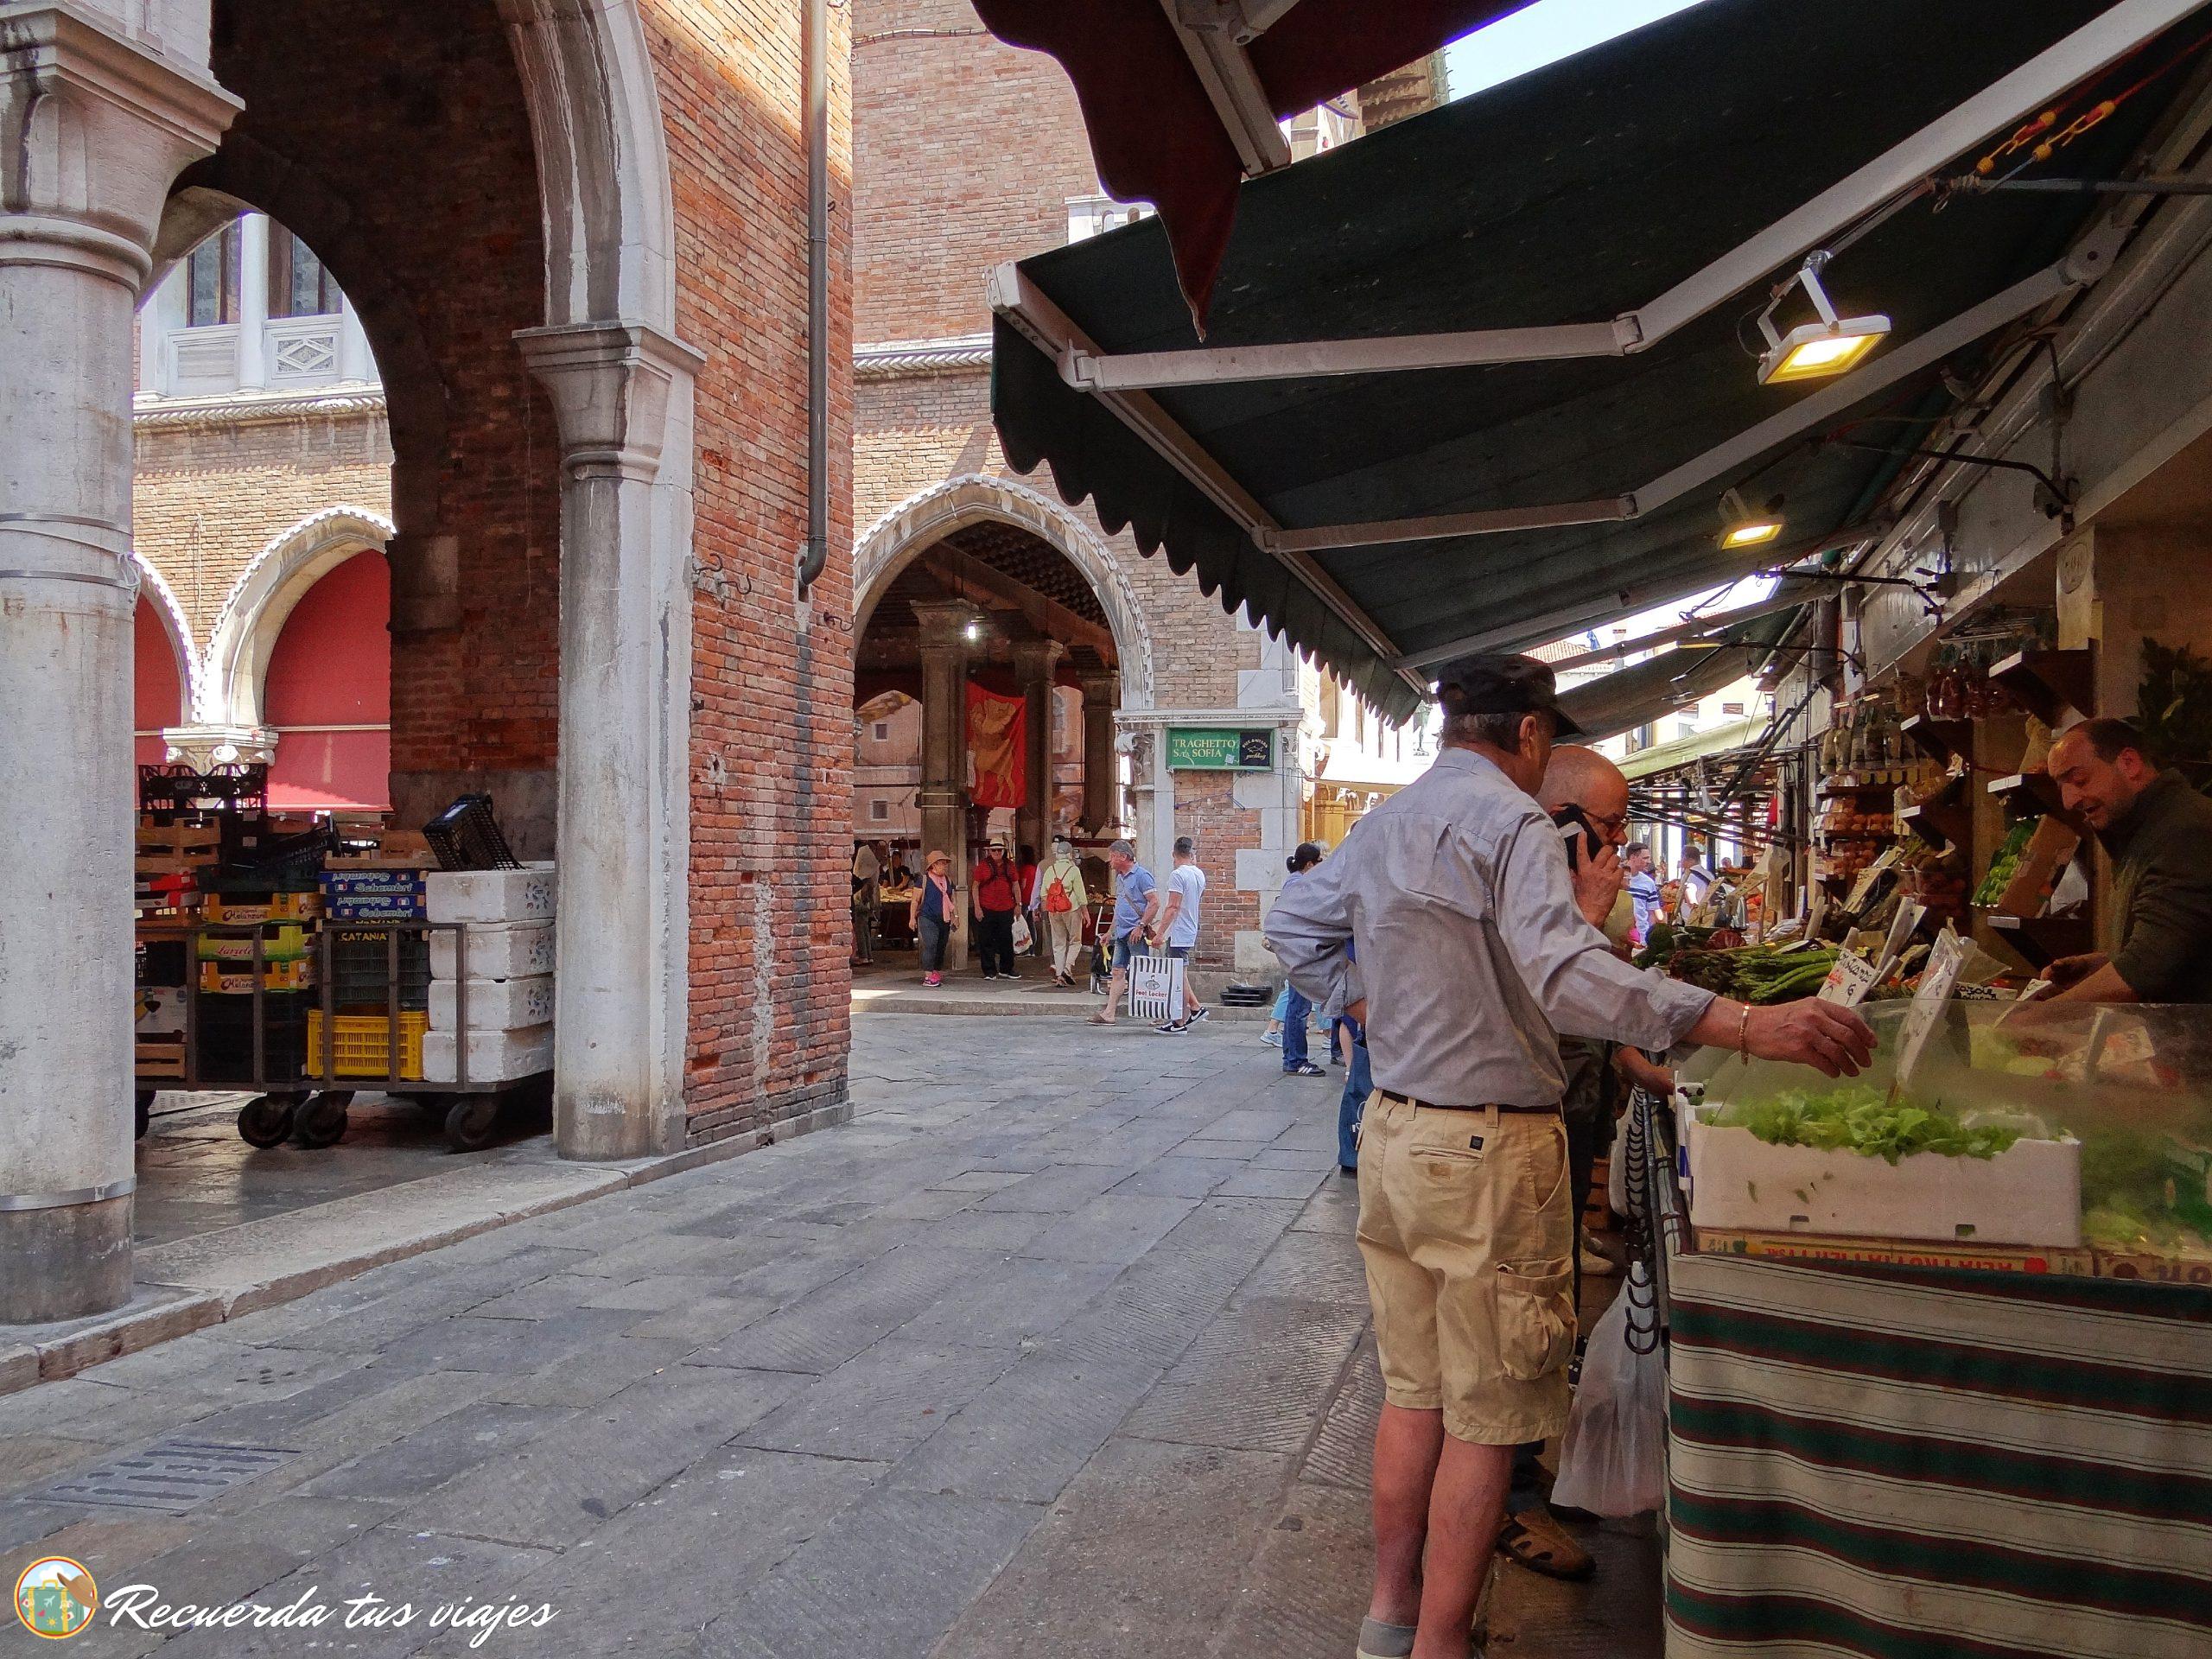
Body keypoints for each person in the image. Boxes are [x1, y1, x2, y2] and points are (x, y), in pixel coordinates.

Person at [1266, 653, 1875, 1659]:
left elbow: (1293, 922)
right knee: (1485, 1415)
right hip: (1485, 1150)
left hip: (1394, 1135)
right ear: (1532, 736)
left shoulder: (1384, 823)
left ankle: (1388, 1619)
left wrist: (1363, 1001)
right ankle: (1441, 1644)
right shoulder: (1507, 822)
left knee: (1413, 1394)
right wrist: (1739, 1022)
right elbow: (1564, 977)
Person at [2042, 717, 2212, 1002]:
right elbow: (2183, 948)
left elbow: (2146, 970)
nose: (2068, 801)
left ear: (2129, 763)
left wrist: (2036, 1018)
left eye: (2079, 780)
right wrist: (2101, 964)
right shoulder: (2145, 828)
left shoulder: (2188, 832)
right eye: (2062, 786)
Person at [1090, 839, 1160, 1027]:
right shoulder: (1120, 877)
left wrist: (1141, 925)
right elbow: (1120, 907)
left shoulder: (1142, 876)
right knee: (1117, 971)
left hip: (1135, 932)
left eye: (1113, 856)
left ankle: (1157, 1013)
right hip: (1121, 933)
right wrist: (1109, 931)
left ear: (1124, 857)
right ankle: (1109, 1013)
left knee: (1143, 972)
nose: (1110, 860)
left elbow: (1154, 903)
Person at [1273, 842, 1329, 1077]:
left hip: (1296, 950)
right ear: (1309, 864)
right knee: (1299, 1007)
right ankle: (1296, 1060)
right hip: (1299, 952)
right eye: (1319, 863)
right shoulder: (1300, 884)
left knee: (1298, 1006)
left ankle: (1293, 1058)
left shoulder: (1295, 882)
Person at [1151, 836, 1211, 1032]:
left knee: (1177, 976)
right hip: (1191, 927)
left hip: (1179, 930)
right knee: (1180, 974)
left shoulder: (1177, 875)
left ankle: (1182, 1018)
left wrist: (1159, 934)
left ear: (1173, 854)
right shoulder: (1199, 874)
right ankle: (1192, 1010)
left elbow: (1173, 906)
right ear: (1191, 854)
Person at [1035, 835, 1090, 988]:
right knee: (1075, 941)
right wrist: (1085, 912)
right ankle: (1067, 968)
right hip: (1072, 908)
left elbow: (1043, 894)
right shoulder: (1073, 870)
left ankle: (1060, 975)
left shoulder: (1050, 869)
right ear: (1070, 854)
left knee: (1058, 943)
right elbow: (1080, 893)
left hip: (1053, 910)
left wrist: (1051, 906)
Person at [970, 837, 1021, 980]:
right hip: (987, 907)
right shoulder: (983, 866)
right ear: (990, 851)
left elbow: (1016, 885)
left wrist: (1019, 904)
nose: (997, 852)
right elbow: (975, 886)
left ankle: (1007, 968)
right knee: (986, 940)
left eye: (999, 850)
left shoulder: (1009, 866)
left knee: (1006, 939)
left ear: (1003, 851)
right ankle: (989, 971)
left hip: (1006, 908)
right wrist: (977, 907)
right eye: (994, 850)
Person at [909, 849, 957, 987]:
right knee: (930, 944)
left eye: (945, 863)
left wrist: (955, 916)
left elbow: (952, 900)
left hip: (944, 918)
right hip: (927, 917)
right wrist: (912, 918)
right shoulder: (923, 880)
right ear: (933, 865)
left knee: (941, 946)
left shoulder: (948, 880)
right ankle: (928, 975)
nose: (944, 866)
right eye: (941, 863)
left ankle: (936, 971)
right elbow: (915, 900)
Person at [1624, 842, 1662, 947]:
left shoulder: (1648, 882)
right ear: (1633, 857)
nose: (1649, 862)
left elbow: (1651, 913)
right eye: (1645, 858)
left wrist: (1650, 938)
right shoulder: (1616, 877)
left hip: (1641, 938)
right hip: (1619, 938)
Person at [850, 841, 881, 966]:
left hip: (859, 901)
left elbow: (860, 884)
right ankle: (868, 955)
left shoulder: (862, 867)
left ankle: (863, 955)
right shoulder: (873, 866)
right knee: (865, 929)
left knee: (859, 929)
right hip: (868, 901)